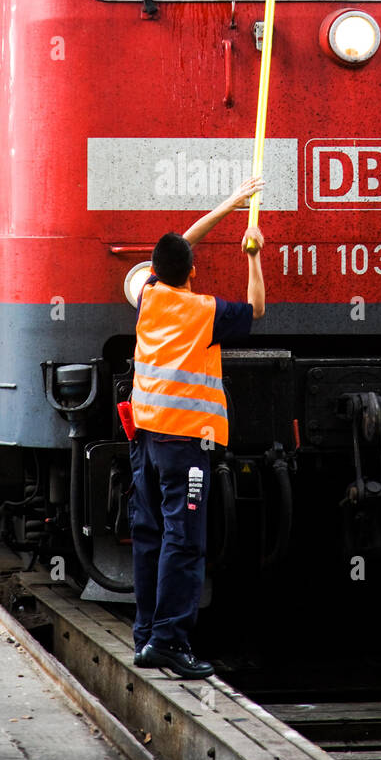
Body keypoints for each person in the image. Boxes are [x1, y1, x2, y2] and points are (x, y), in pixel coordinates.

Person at [129, 177, 266, 679]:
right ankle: (169, 642)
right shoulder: (201, 310)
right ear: (191, 271)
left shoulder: (150, 297)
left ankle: (146, 637)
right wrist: (252, 253)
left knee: (150, 536)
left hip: (146, 440)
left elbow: (182, 245)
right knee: (185, 542)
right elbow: (257, 309)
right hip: (186, 442)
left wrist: (229, 205)